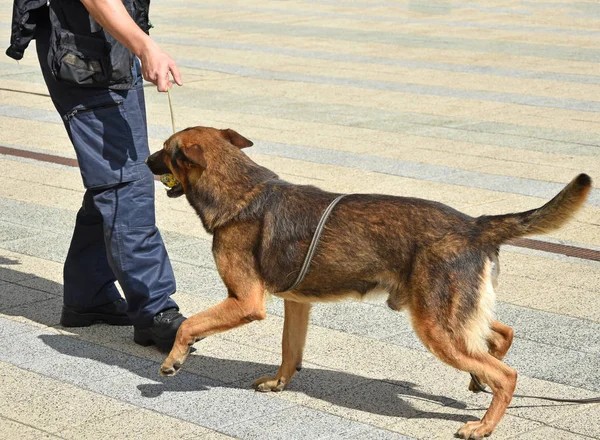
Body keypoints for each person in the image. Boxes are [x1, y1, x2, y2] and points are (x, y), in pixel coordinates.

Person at [6, 0, 185, 352]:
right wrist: (145, 46)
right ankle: (155, 311)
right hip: (85, 53)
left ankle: (89, 294)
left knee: (112, 179)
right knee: (125, 183)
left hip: (107, 45)